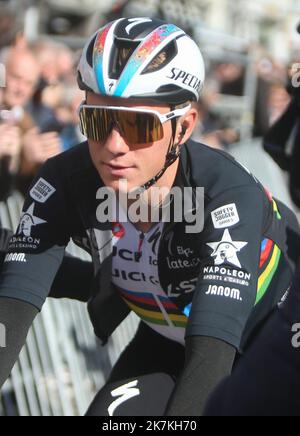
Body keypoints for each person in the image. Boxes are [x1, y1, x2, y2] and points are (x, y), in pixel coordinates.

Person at [0, 17, 298, 416]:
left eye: (138, 126)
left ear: (184, 127)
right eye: (98, 121)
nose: (114, 146)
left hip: (272, 334)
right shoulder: (63, 181)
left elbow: (211, 354)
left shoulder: (224, 196)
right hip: (169, 337)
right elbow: (14, 305)